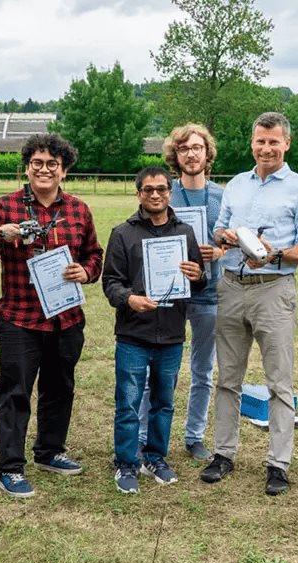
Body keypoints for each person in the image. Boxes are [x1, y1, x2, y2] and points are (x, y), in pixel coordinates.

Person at [0, 133, 103, 498]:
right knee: (15, 392)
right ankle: (10, 468)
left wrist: (86, 272)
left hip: (67, 318)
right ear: (27, 168)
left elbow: (94, 255)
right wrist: (0, 236)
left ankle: (50, 451)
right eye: (37, 164)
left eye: (52, 165)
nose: (44, 170)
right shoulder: (5, 207)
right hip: (20, 318)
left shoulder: (78, 209)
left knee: (60, 388)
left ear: (64, 172)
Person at [200, 112, 298, 496]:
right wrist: (226, 236)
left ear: (286, 143)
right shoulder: (236, 184)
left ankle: (278, 463)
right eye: (259, 141)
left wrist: (276, 254)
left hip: (274, 288)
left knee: (278, 382)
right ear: (251, 143)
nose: (266, 148)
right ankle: (223, 454)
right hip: (232, 286)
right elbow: (219, 227)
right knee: (227, 379)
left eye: (273, 141)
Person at [103, 166, 207, 494]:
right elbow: (111, 282)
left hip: (172, 334)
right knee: (129, 401)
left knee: (164, 402)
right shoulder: (123, 233)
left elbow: (199, 282)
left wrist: (198, 275)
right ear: (139, 194)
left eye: (161, 189)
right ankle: (126, 462)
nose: (155, 195)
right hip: (134, 334)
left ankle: (155, 457)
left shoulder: (186, 233)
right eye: (148, 189)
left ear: (169, 192)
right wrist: (129, 299)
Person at [135, 123, 224, 461]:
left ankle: (195, 435)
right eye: (184, 148)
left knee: (203, 371)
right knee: (158, 371)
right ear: (175, 154)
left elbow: (233, 242)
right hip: (168, 295)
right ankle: (145, 435)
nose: (191, 153)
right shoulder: (162, 191)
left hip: (209, 295)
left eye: (197, 147)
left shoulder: (222, 197)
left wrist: (218, 253)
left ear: (207, 153)